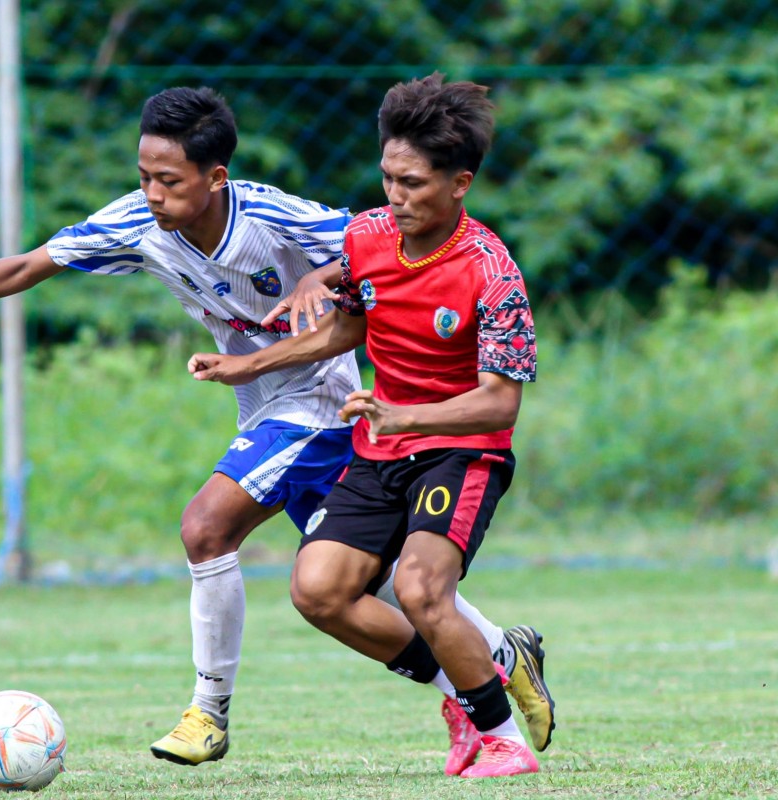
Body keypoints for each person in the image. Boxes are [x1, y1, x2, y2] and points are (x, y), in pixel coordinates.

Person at [0, 85, 552, 771]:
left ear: (215, 178)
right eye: (144, 177)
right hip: (266, 402)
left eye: (168, 180)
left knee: (207, 527)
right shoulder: (136, 223)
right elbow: (31, 264)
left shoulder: (274, 217)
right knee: (365, 585)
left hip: (322, 399)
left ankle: (208, 712)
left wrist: (317, 280)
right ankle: (496, 660)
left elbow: (375, 247)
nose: (152, 194)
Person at [186, 73, 546, 778]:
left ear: (460, 184)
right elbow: (346, 327)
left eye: (412, 183)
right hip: (382, 448)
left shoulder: (492, 272)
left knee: (420, 587)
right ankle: (466, 691)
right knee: (318, 590)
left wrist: (405, 413)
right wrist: (248, 366)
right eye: (387, 178)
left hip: (461, 452)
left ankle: (505, 742)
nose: (395, 196)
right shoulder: (367, 237)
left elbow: (500, 403)